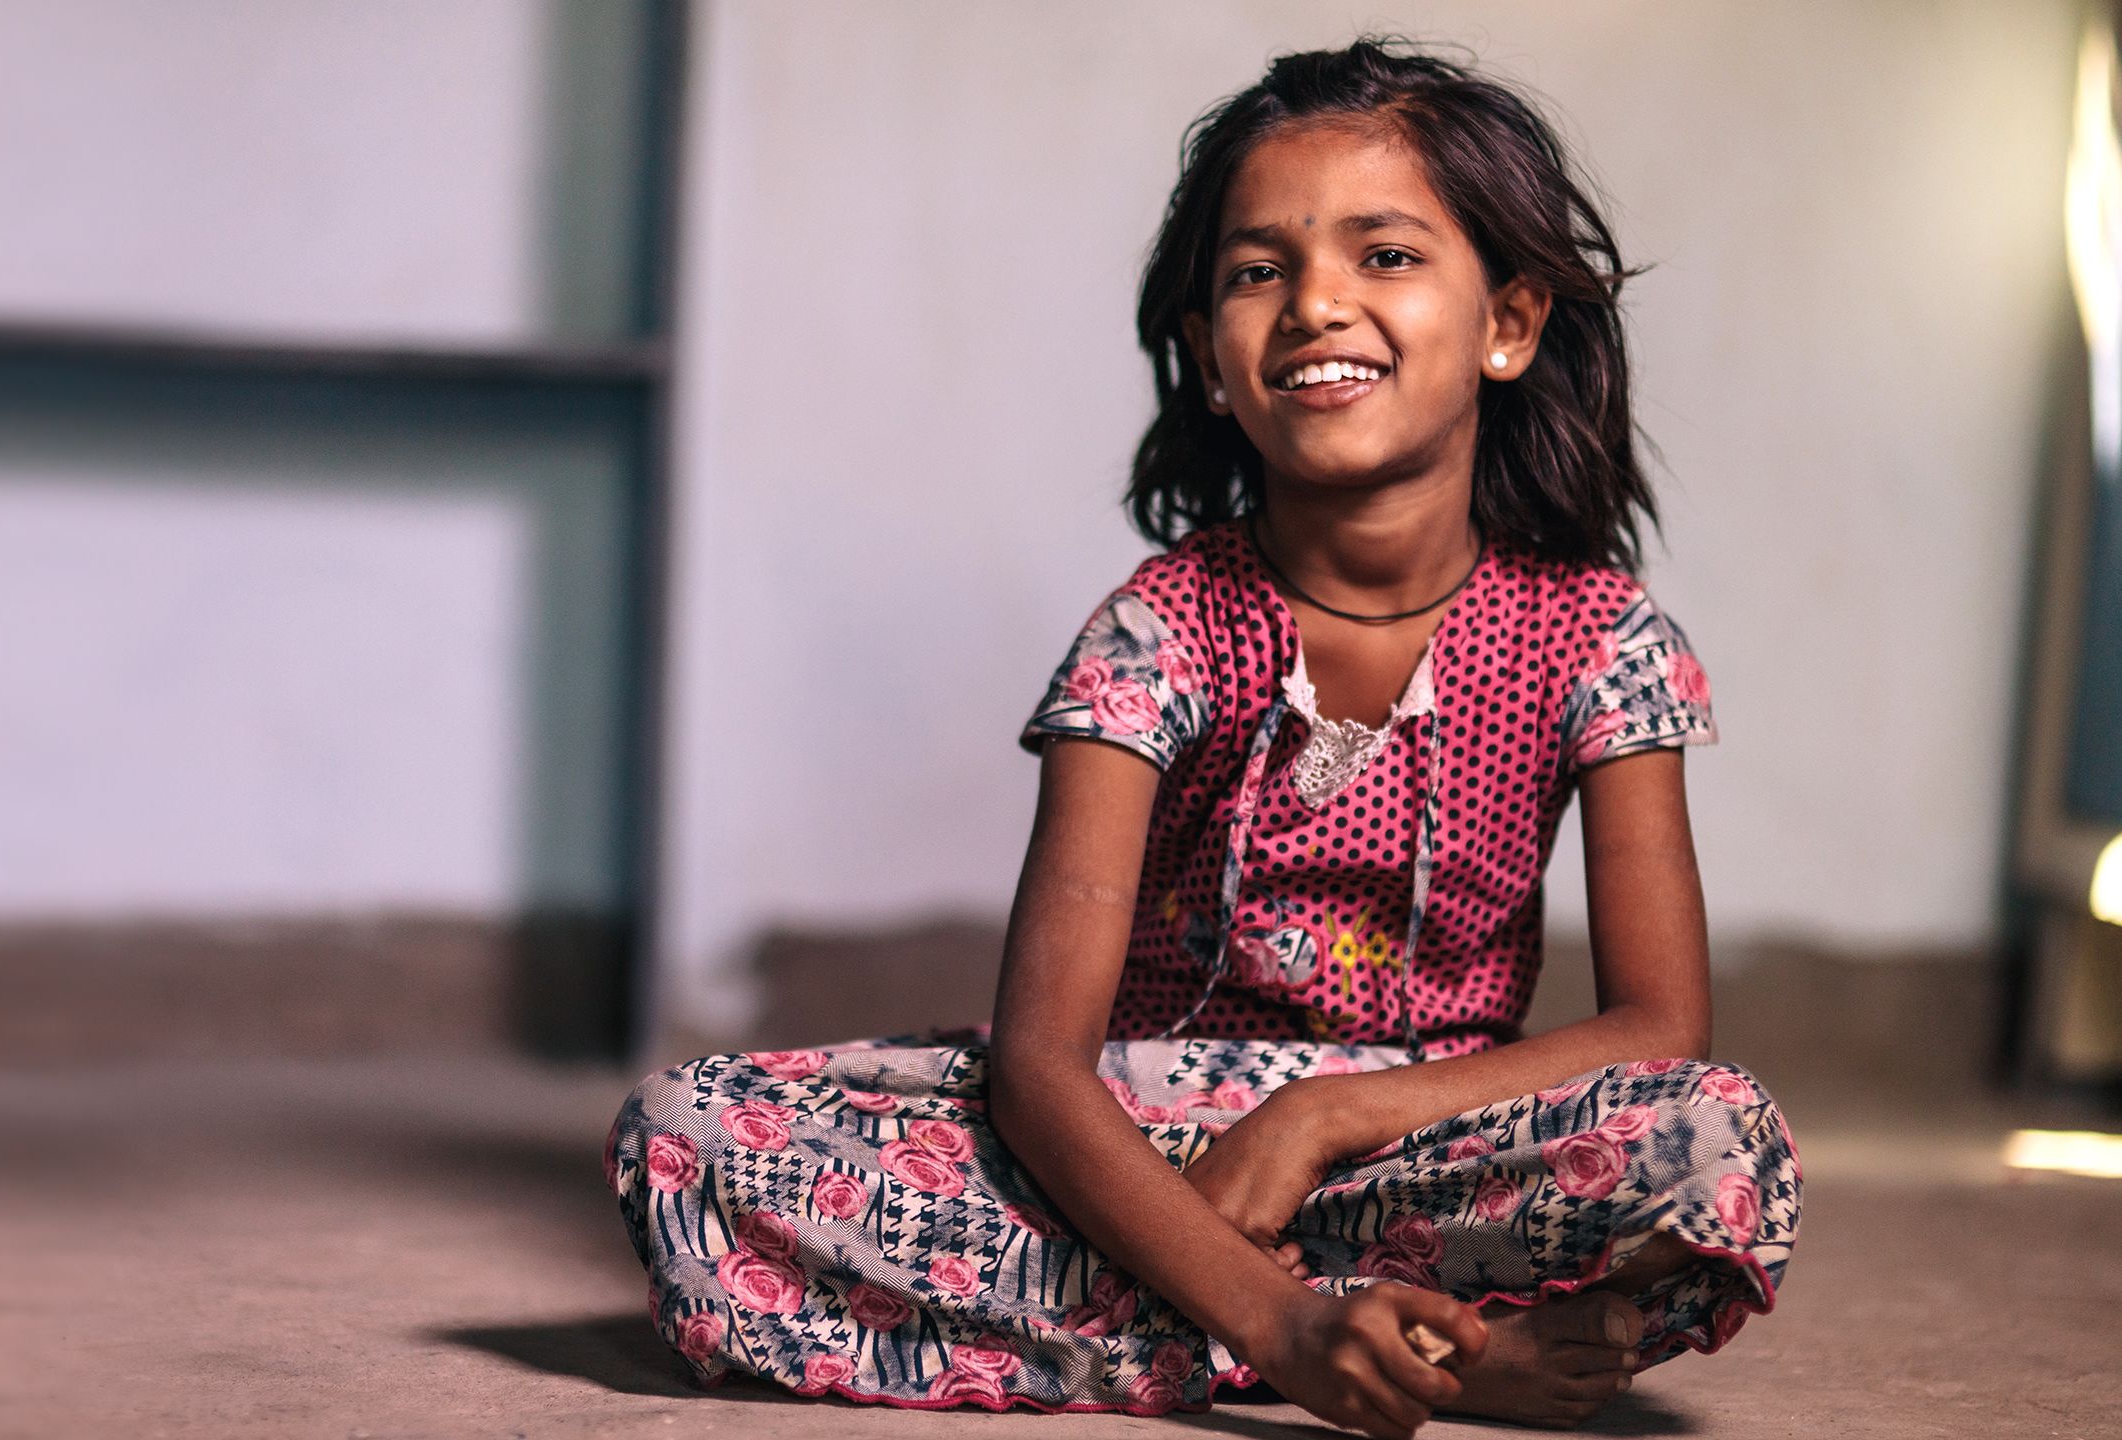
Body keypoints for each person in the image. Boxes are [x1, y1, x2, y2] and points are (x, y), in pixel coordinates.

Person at [602, 35, 1800, 1437]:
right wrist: (1276, 1317)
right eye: (1257, 271)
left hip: (1429, 1139)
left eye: (1386, 256)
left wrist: (1325, 1119)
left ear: (1509, 324)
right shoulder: (1157, 632)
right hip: (1132, 1134)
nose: (1314, 306)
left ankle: (1218, 1327)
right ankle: (1396, 1346)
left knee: (1716, 1134)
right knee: (686, 1136)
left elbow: (1660, 1028)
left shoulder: (1598, 638)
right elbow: (1045, 1068)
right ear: (1209, 360)